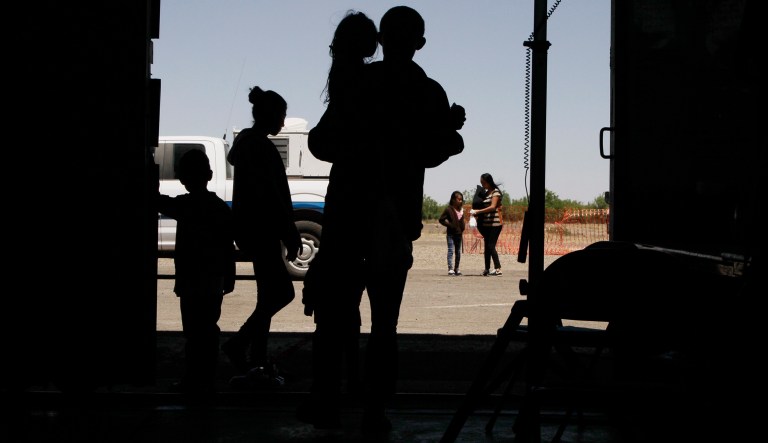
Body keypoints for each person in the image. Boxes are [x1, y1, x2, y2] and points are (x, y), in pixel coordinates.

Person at [301, 5, 466, 434]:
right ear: (420, 43)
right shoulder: (428, 91)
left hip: (348, 216)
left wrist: (358, 150)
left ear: (381, 38)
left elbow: (320, 142)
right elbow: (437, 149)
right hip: (394, 225)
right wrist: (449, 131)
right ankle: (374, 411)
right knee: (384, 324)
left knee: (335, 318)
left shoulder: (359, 83)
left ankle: (326, 403)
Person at [221, 86, 302, 383]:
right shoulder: (260, 147)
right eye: (280, 115)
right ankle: (239, 345)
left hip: (251, 230)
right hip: (263, 230)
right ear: (269, 114)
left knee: (268, 296)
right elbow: (272, 196)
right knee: (282, 293)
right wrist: (290, 232)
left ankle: (258, 360)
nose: (283, 122)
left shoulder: (246, 143)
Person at [156, 148, 236, 394]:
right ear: (210, 175)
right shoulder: (220, 208)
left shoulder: (185, 205)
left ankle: (193, 379)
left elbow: (159, 201)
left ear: (182, 178)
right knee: (209, 327)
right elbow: (227, 246)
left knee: (193, 332)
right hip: (213, 279)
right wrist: (229, 276)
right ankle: (206, 379)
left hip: (190, 279)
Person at [470, 173, 503, 276]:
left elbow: (493, 207)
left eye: (483, 183)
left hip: (495, 224)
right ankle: (487, 269)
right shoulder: (486, 193)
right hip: (486, 224)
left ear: (489, 182)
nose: (482, 185)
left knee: (491, 245)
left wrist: (477, 212)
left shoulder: (495, 192)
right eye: (481, 183)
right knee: (486, 246)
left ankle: (498, 268)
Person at [439, 191, 466, 276]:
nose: (460, 201)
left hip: (459, 234)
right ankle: (450, 268)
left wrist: (462, 228)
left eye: (461, 199)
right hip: (451, 234)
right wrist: (450, 225)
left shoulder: (461, 210)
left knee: (458, 251)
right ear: (453, 200)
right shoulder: (448, 209)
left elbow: (461, 221)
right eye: (459, 199)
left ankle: (456, 268)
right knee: (451, 250)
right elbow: (441, 219)